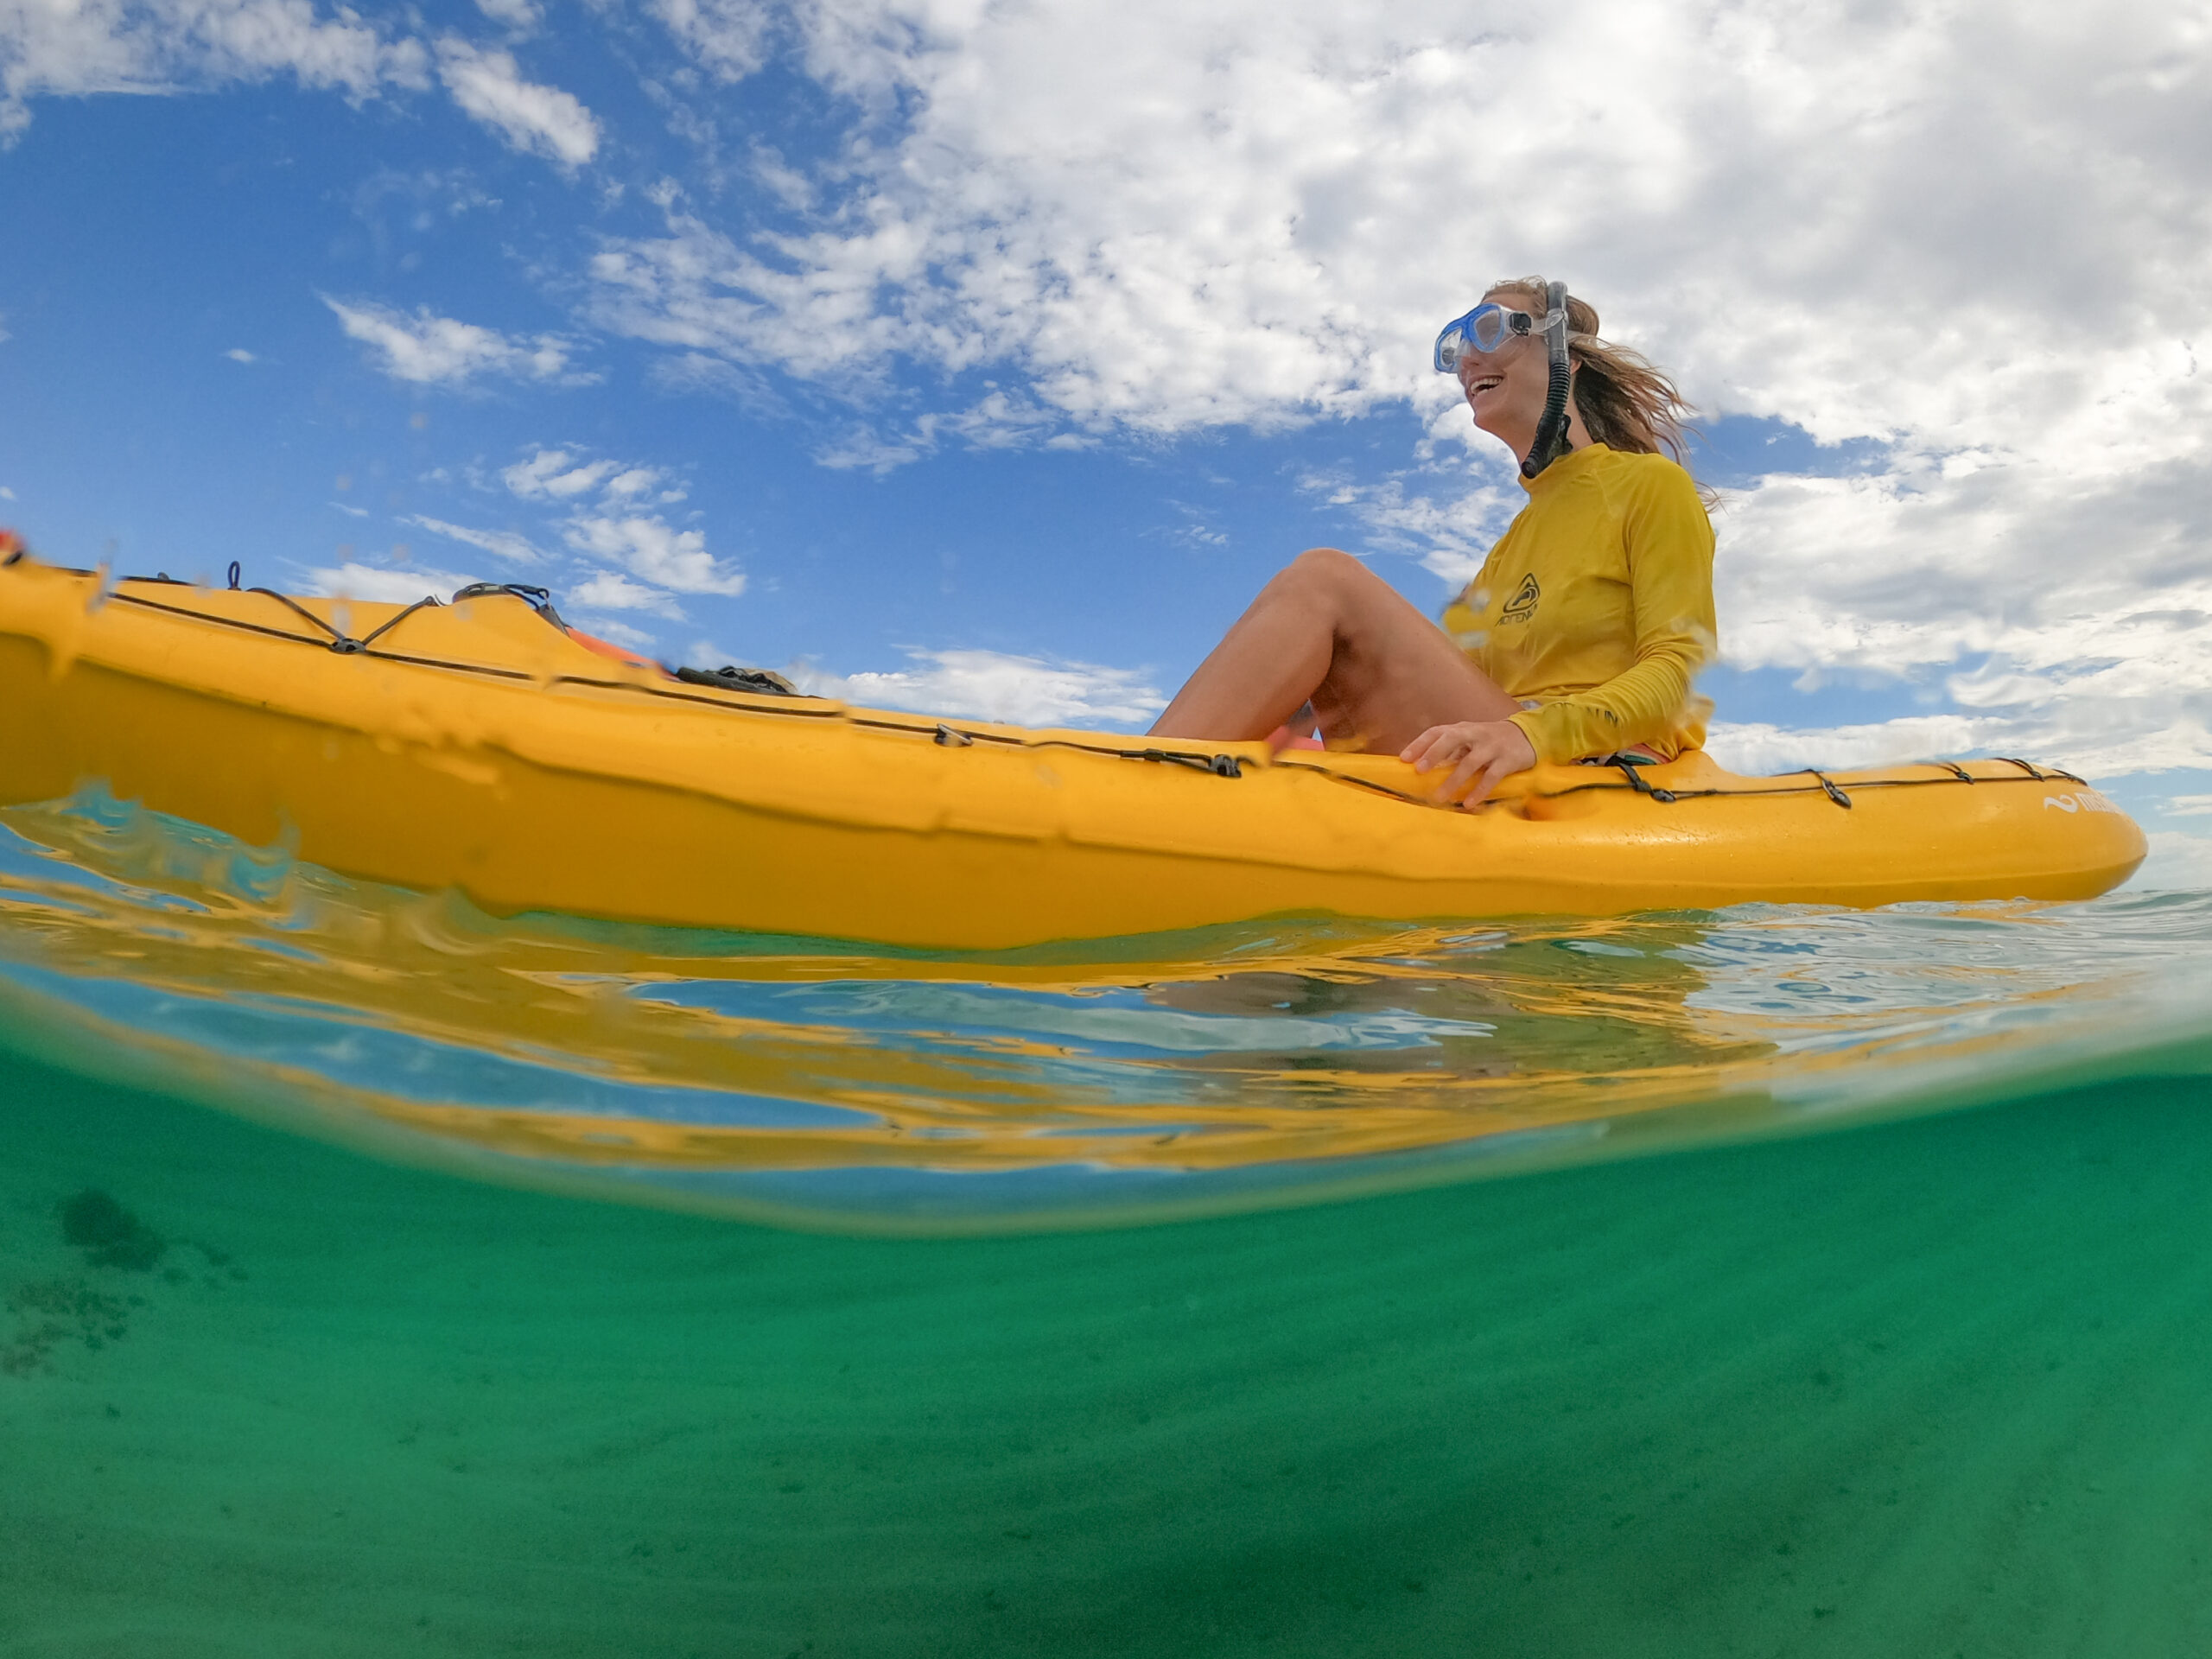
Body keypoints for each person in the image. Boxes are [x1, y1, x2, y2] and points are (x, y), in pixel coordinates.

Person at [1147, 277, 1716, 807]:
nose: (1467, 360)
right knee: (1285, 720)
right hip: (1503, 755)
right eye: (1455, 346)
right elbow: (1437, 680)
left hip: (1595, 769)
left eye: (1490, 330)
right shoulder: (1508, 549)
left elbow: (1677, 671)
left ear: (1570, 358)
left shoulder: (1648, 485)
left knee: (1326, 580)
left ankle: (1132, 790)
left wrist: (1532, 733)